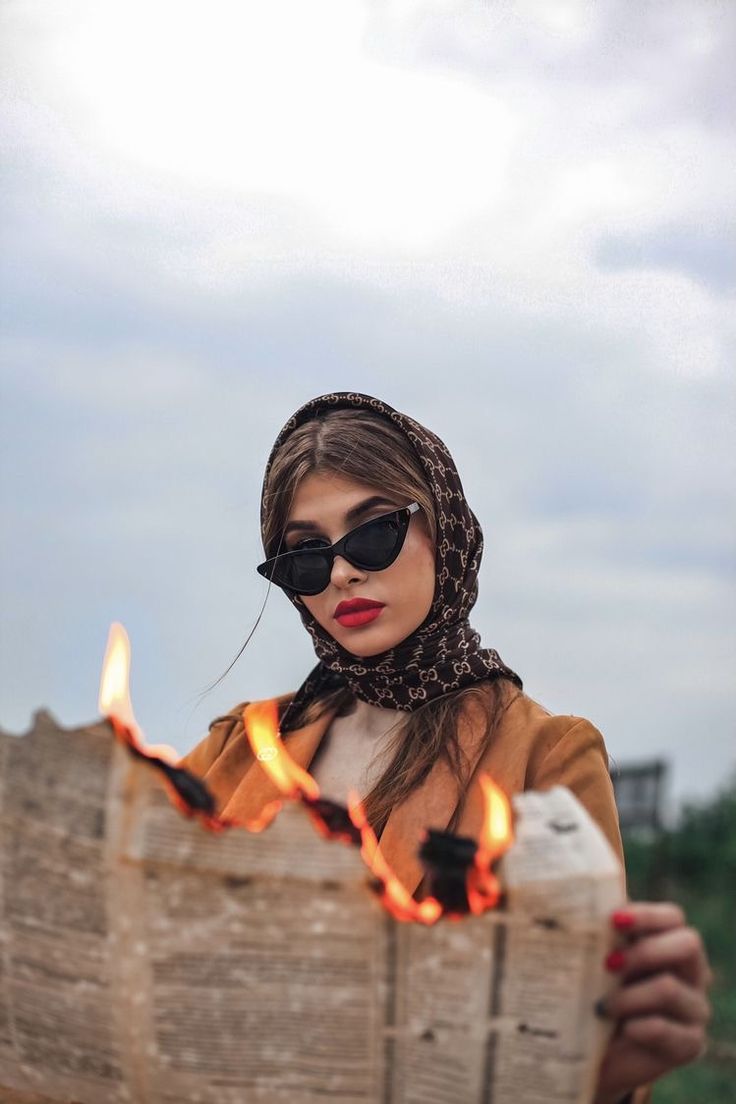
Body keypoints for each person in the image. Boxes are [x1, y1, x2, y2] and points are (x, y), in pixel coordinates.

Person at [180, 391, 711, 1104]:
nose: (341, 574)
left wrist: (606, 1077)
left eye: (371, 534)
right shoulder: (234, 749)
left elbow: (580, 1043)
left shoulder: (548, 758)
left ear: (447, 527)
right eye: (305, 556)